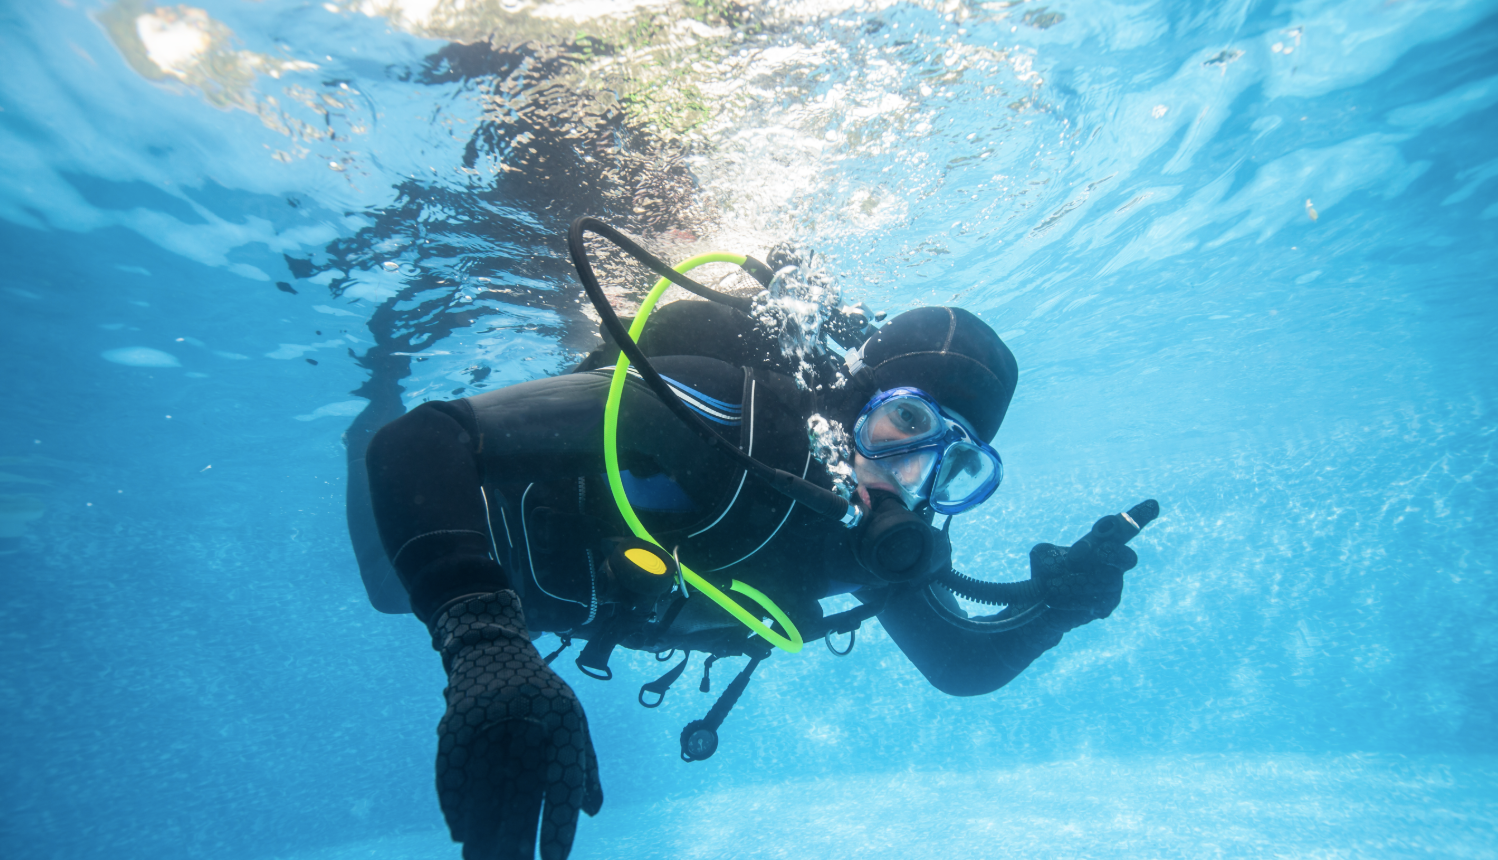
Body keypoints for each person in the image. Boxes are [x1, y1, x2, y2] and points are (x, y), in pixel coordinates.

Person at [356, 229, 1156, 860]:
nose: (910, 473)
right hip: (464, 534)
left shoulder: (877, 543)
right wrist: (482, 641)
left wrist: (1062, 608)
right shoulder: (722, 414)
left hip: (560, 611)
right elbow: (420, 442)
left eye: (956, 464)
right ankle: (372, 380)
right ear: (853, 401)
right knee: (387, 585)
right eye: (907, 422)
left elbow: (959, 665)